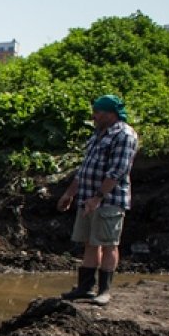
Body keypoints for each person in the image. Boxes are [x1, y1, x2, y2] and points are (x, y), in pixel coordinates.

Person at [57, 94, 139, 306]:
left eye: (98, 112)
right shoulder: (98, 134)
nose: (94, 116)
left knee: (108, 243)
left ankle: (104, 291)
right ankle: (85, 288)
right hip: (86, 197)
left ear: (111, 114)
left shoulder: (124, 135)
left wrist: (98, 197)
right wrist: (70, 193)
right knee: (89, 243)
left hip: (109, 200)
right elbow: (84, 170)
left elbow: (117, 171)